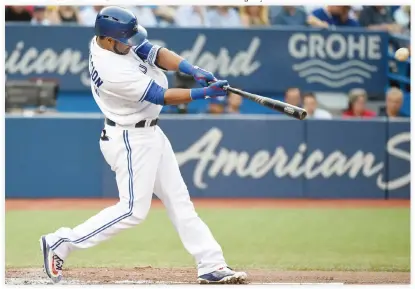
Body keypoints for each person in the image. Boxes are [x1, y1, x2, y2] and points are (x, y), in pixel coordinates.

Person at [39, 6, 247, 285]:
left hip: (150, 133)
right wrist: (204, 93)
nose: (132, 44)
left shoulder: (111, 41)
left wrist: (191, 69)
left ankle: (211, 263)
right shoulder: (111, 70)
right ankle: (60, 242)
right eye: (126, 41)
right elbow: (160, 96)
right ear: (109, 40)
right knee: (132, 211)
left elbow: (152, 52)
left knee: (179, 200)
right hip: (129, 138)